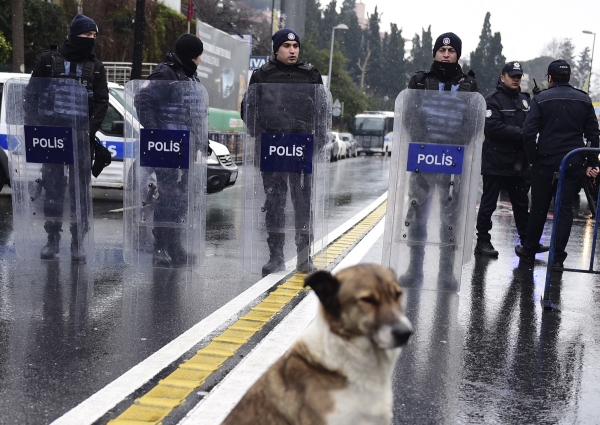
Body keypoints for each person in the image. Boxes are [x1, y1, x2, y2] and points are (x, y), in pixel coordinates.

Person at [243, 28, 324, 276]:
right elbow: (249, 108)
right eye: (287, 46)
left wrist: (317, 141)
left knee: (302, 204)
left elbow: (321, 111)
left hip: (300, 147)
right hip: (273, 147)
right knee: (275, 203)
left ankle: (303, 256)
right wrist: (261, 134)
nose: (292, 50)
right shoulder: (262, 75)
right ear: (276, 49)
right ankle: (275, 255)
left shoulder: (310, 75)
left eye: (295, 46)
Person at [29, 13, 109, 261]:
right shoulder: (49, 60)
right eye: (87, 35)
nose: (91, 39)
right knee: (52, 191)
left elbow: (102, 102)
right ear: (75, 35)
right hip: (52, 138)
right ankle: (52, 240)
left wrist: (88, 130)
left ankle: (77, 243)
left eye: (94, 36)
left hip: (80, 140)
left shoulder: (95, 67)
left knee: (79, 194)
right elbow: (31, 96)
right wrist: (38, 129)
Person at [401, 32, 478, 288]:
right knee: (418, 216)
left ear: (458, 54)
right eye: (442, 50)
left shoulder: (468, 85)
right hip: (423, 159)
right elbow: (408, 116)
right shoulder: (420, 82)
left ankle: (446, 273)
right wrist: (423, 140)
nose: (446, 54)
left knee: (450, 219)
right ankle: (414, 270)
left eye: (451, 51)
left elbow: (475, 122)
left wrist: (457, 142)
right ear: (435, 52)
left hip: (453, 162)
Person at [516, 60, 600, 270]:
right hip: (572, 162)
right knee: (564, 210)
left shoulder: (541, 99)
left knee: (539, 209)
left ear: (550, 78)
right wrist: (590, 162)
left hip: (545, 161)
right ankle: (557, 258)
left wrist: (533, 158)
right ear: (569, 77)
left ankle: (529, 249)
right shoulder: (584, 99)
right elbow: (593, 134)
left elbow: (528, 133)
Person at [135, 33, 205, 267]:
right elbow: (143, 100)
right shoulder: (166, 73)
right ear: (194, 55)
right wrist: (158, 134)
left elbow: (194, 113)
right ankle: (160, 248)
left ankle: (174, 245)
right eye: (199, 56)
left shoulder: (190, 77)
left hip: (184, 149)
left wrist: (202, 141)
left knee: (179, 200)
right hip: (166, 147)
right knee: (167, 199)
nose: (200, 60)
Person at [475, 62, 548, 257]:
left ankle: (527, 243)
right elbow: (493, 128)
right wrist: (523, 133)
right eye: (512, 75)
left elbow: (536, 124)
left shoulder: (526, 100)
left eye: (518, 75)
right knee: (489, 204)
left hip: (518, 163)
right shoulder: (492, 100)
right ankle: (483, 241)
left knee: (522, 205)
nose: (516, 79)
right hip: (496, 161)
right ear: (502, 77)